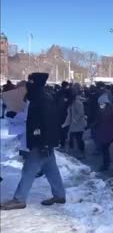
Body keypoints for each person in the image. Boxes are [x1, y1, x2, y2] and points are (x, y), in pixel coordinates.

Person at [1, 73, 66, 210]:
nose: (28, 84)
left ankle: (19, 199)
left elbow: (48, 123)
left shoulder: (43, 99)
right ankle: (59, 195)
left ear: (36, 83)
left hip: (40, 142)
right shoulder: (38, 97)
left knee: (28, 170)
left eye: (31, 82)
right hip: (42, 141)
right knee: (50, 168)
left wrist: (46, 143)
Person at [62, 87, 87, 159]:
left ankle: (81, 153)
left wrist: (75, 120)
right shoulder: (72, 103)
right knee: (73, 138)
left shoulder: (77, 102)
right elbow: (69, 115)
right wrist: (65, 124)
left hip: (78, 125)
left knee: (79, 139)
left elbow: (80, 112)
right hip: (74, 125)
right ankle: (76, 152)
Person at [95, 95, 113, 171]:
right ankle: (106, 163)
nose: (100, 105)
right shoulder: (103, 110)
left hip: (108, 132)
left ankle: (106, 164)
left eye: (101, 104)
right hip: (103, 131)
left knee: (105, 148)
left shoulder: (111, 110)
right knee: (104, 149)